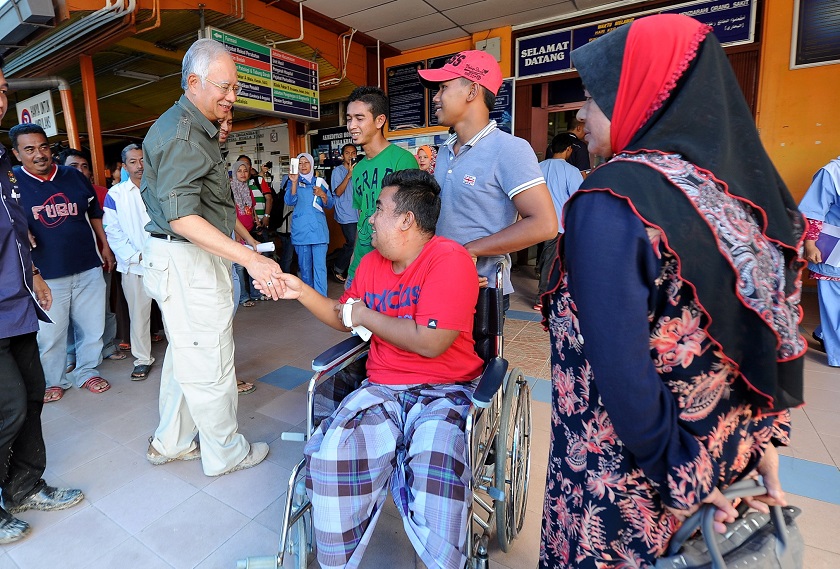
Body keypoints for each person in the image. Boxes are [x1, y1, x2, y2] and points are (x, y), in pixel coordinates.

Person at [537, 15, 805, 568]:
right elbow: (774, 330)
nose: (581, 115)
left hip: (623, 488)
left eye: (593, 98)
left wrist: (682, 474)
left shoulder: (614, 200)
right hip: (724, 470)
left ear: (642, 93)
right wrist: (761, 448)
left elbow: (621, 370)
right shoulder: (739, 197)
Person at [269, 169, 482, 569]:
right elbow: (343, 316)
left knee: (436, 469)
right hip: (382, 387)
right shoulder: (370, 263)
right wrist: (300, 290)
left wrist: (367, 313)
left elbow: (431, 341)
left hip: (444, 389)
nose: (370, 217)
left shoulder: (448, 259)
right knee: (332, 456)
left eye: (379, 209)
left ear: (406, 220)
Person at [140, 38, 279, 476]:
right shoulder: (183, 135)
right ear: (194, 82)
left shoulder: (194, 125)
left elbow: (209, 204)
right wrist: (249, 259)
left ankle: (172, 441)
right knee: (212, 360)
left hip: (188, 255)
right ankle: (226, 453)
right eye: (225, 87)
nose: (231, 97)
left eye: (235, 89)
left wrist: (245, 240)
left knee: (187, 355)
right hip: (188, 258)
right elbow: (183, 218)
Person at [0, 55, 85, 544]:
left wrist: (32, 272)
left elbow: (14, 231)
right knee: (7, 407)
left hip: (17, 305)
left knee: (32, 398)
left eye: (4, 89)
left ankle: (25, 486)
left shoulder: (3, 167)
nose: (2, 96)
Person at [418, 50, 556, 305]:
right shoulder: (445, 151)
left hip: (481, 290)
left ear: (472, 91)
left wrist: (470, 250)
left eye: (443, 88)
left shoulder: (510, 149)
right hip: (439, 279)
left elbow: (544, 224)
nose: (435, 98)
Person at [12, 123, 116, 403]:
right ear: (17, 153)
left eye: (43, 147)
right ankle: (54, 380)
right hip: (45, 275)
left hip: (87, 265)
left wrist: (104, 246)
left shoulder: (72, 176)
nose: (39, 154)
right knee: (51, 334)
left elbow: (94, 212)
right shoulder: (11, 183)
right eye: (30, 149)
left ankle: (86, 371)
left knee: (93, 327)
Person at [58, 148, 125, 367]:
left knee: (101, 306)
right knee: (67, 314)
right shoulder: (53, 192)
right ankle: (71, 354)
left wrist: (109, 250)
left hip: (97, 259)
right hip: (63, 263)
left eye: (84, 166)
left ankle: (106, 346)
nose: (80, 171)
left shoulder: (101, 193)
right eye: (74, 166)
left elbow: (111, 225)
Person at [345, 86, 418, 285]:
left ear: (379, 120)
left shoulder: (402, 160)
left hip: (388, 272)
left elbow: (414, 223)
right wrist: (353, 260)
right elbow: (362, 217)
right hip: (358, 268)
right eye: (349, 118)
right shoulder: (358, 169)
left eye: (359, 118)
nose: (352, 125)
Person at [102, 143, 157, 380]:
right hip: (134, 265)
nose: (139, 166)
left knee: (173, 311)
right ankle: (143, 359)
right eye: (133, 162)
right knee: (139, 315)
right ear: (124, 166)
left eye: (143, 160)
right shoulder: (116, 194)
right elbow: (112, 230)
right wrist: (137, 255)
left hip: (166, 262)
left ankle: (181, 354)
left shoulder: (160, 187)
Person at [533, 132, 583, 310]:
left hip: (536, 222)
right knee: (552, 261)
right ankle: (542, 297)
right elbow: (577, 199)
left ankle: (548, 287)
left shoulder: (537, 167)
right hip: (559, 224)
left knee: (547, 257)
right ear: (569, 149)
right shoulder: (571, 171)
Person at [799, 155, 840, 364]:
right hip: (833, 248)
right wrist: (810, 243)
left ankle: (824, 333)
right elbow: (813, 211)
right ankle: (838, 353)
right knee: (833, 302)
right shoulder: (832, 172)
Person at [284, 152, 333, 295]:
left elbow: (330, 204)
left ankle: (321, 298)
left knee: (320, 267)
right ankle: (310, 298)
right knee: (304, 267)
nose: (303, 165)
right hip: (301, 230)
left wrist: (322, 194)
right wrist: (293, 182)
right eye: (300, 163)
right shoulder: (292, 181)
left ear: (312, 164)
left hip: (319, 230)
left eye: (306, 163)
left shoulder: (320, 182)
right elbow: (289, 201)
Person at [230, 159, 260, 307]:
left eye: (245, 171)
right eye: (239, 171)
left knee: (253, 262)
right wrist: (237, 233)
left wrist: (257, 220)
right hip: (238, 233)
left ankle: (255, 294)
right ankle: (243, 297)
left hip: (250, 232)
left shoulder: (247, 189)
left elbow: (251, 208)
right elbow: (231, 213)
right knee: (240, 267)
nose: (243, 174)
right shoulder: (231, 189)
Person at [329, 143, 359, 282]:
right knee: (352, 242)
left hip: (358, 212)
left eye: (353, 153)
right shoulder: (337, 171)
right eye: (347, 153)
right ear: (342, 156)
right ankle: (337, 268)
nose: (350, 155)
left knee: (360, 242)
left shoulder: (359, 169)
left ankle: (353, 272)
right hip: (345, 213)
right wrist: (349, 175)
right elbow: (338, 192)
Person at [236, 153, 273, 231]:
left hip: (259, 223)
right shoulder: (233, 185)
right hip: (240, 227)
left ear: (251, 167)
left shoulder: (259, 180)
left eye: (246, 164)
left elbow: (269, 198)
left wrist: (266, 216)